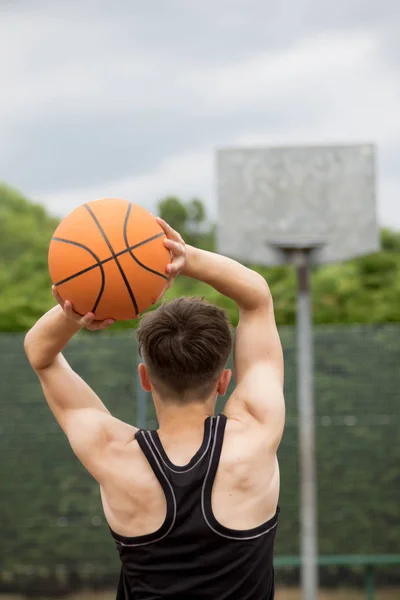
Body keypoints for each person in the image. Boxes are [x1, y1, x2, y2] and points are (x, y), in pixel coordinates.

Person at [24, 217, 285, 600]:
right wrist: (186, 258)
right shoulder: (256, 435)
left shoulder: (112, 454)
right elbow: (257, 297)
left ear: (145, 378)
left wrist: (80, 305)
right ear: (223, 381)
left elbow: (40, 355)